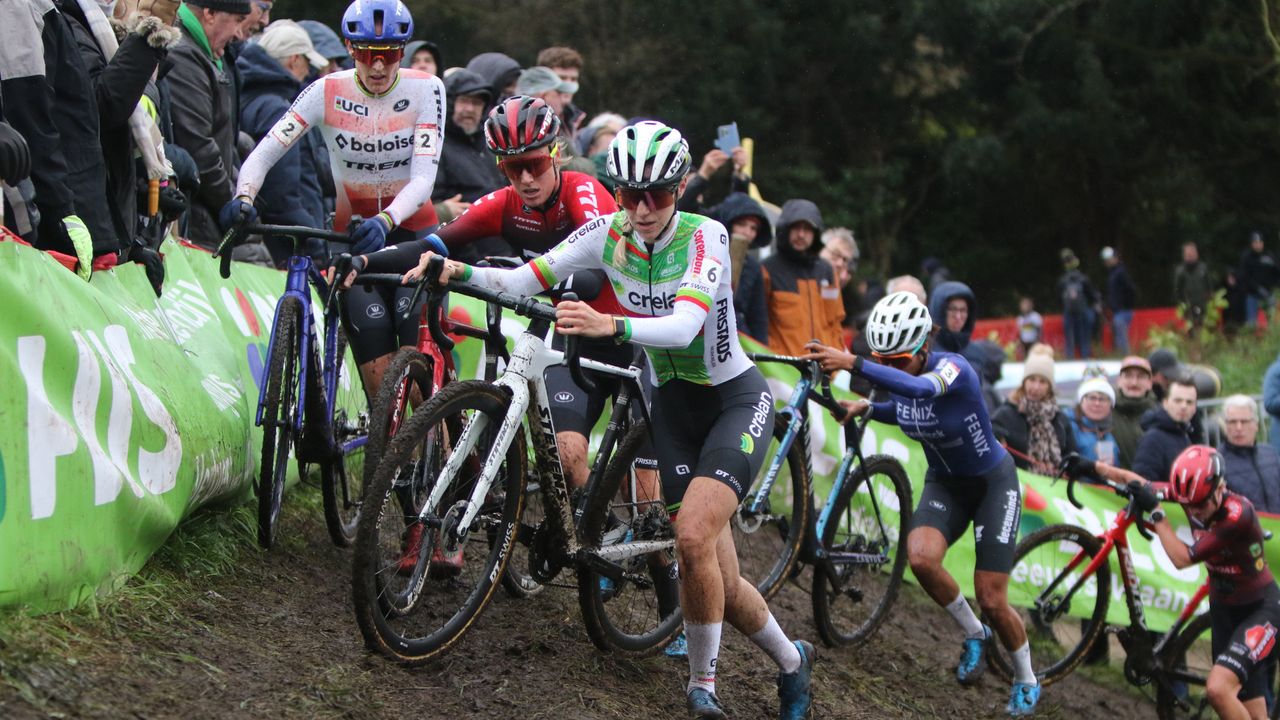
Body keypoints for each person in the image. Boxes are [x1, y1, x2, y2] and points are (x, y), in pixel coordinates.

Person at [415, 121, 816, 720]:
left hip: (733, 399)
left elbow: (684, 326)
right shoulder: (605, 233)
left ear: (679, 189)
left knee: (690, 536)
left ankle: (702, 685)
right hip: (672, 405)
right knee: (722, 584)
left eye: (657, 194)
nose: (643, 208)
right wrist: (459, 273)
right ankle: (792, 661)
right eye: (630, 195)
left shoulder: (706, 237)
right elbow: (527, 279)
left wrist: (612, 325)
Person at [803, 292, 1040, 717]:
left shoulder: (954, 368)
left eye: (897, 361)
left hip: (992, 486)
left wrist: (854, 362)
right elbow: (909, 408)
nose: (889, 369)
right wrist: (871, 406)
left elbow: (918, 389)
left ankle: (1026, 677)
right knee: (922, 560)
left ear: (924, 349)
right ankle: (975, 635)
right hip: (945, 482)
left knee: (991, 596)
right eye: (882, 361)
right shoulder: (904, 377)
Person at [224, 0, 443, 400]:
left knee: (419, 389)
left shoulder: (426, 89)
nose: (377, 67)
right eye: (365, 54)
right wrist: (244, 196)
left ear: (403, 50)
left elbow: (424, 178)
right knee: (382, 390)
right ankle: (392, 461)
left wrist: (387, 220)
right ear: (349, 47)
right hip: (353, 241)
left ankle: (447, 456)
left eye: (389, 55)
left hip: (413, 239)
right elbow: (266, 151)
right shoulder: (325, 91)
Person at [1063, 446, 1279, 720]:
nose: (1195, 511)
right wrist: (1093, 468)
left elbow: (1182, 558)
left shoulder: (1237, 514)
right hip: (1224, 610)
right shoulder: (1192, 496)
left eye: (1201, 504)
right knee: (1252, 712)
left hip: (1260, 610)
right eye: (1189, 505)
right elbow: (1142, 484)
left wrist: (1157, 513)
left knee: (1218, 690)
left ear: (1220, 486)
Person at [236, 19, 330, 264]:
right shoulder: (278, 109)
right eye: (307, 62)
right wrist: (316, 246)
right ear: (294, 60)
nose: (309, 71)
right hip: (287, 250)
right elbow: (283, 194)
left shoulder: (246, 96)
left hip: (261, 240)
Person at [169, 0, 251, 249]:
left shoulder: (203, 53)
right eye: (237, 20)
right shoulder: (184, 54)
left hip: (202, 215)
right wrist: (232, 205)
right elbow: (199, 147)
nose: (239, 33)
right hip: (195, 219)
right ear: (210, 13)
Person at [761, 199, 844, 356]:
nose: (801, 234)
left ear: (816, 233)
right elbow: (759, 323)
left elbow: (835, 321)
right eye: (796, 228)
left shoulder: (827, 270)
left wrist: (836, 360)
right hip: (782, 370)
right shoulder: (767, 269)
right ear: (785, 230)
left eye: (807, 229)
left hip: (825, 369)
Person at [430, 68, 505, 238]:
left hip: (503, 244)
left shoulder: (491, 142)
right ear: (449, 102)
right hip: (463, 248)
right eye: (464, 101)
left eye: (477, 103)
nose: (470, 109)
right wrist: (441, 211)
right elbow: (427, 205)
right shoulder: (436, 145)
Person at [992, 350, 1076, 475]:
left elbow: (1071, 458)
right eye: (1031, 380)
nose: (1036, 387)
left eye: (1042, 382)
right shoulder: (1005, 415)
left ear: (1050, 387)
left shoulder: (1060, 419)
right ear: (1024, 382)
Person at [715, 192, 771, 344]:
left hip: (739, 342)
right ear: (728, 224)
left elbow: (758, 317)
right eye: (741, 224)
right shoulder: (705, 256)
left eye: (753, 228)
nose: (748, 233)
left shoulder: (754, 267)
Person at [1219, 395, 1280, 514]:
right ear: (1225, 426)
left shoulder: (1270, 454)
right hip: (1243, 530)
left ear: (1255, 424)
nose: (1239, 427)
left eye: (1244, 421)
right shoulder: (1217, 462)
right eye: (1232, 422)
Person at [1131, 376, 1198, 483]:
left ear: (1195, 408)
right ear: (1165, 403)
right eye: (1178, 400)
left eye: (1189, 402)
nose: (1184, 406)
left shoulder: (1185, 434)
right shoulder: (1152, 439)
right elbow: (1142, 483)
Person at [1111, 356, 1157, 469]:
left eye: (1140, 377)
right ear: (1119, 381)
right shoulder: (1104, 411)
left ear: (1150, 383)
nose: (1134, 382)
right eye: (1128, 376)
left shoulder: (1160, 415)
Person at [1057, 249, 1100, 359]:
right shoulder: (1083, 278)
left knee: (1070, 335)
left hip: (1069, 311)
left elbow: (1058, 296)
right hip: (1082, 310)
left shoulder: (1063, 280)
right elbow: (1091, 294)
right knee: (1084, 334)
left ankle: (1070, 356)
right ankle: (1085, 355)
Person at [1067, 377, 1118, 465]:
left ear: (1111, 405)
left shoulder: (1110, 433)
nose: (1097, 403)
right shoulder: (1068, 427)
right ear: (1081, 401)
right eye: (1092, 398)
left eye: (1103, 399)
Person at [535, 46, 586, 133]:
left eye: (573, 79)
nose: (569, 85)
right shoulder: (530, 118)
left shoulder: (575, 120)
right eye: (562, 78)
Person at [1101, 247, 1137, 354]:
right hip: (1117, 311)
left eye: (1109, 259)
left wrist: (1125, 305)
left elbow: (1131, 289)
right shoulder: (1113, 274)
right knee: (1119, 339)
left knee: (1122, 340)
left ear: (1115, 258)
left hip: (1122, 310)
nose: (1107, 262)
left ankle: (1125, 359)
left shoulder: (1120, 272)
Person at [1239, 232, 1278, 328]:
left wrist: (1272, 264)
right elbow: (1245, 277)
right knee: (1252, 324)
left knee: (1272, 322)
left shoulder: (1268, 256)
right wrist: (1258, 288)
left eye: (1260, 242)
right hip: (1252, 295)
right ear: (1251, 244)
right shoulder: (1246, 257)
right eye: (1255, 242)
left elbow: (1277, 273)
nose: (1258, 245)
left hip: (1268, 294)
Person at [1174, 241, 1213, 331]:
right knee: (1191, 332)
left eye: (1193, 252)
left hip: (1204, 307)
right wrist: (1182, 306)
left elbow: (1209, 286)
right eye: (1188, 253)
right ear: (1184, 255)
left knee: (1205, 331)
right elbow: (1177, 291)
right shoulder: (1180, 271)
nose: (1191, 255)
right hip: (1188, 309)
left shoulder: (1203, 268)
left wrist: (1210, 301)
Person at [929, 281, 976, 353]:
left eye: (963, 310)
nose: (958, 317)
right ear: (939, 311)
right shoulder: (926, 354)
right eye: (953, 309)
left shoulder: (978, 355)